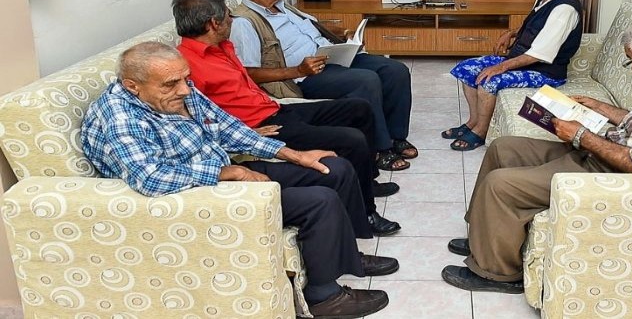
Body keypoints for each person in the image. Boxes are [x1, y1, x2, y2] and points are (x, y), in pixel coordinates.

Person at [81, 42, 397, 318]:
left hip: (226, 177)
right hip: (191, 196)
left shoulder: (179, 91)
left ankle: (346, 255)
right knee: (319, 201)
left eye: (185, 79)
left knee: (332, 168)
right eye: (170, 84)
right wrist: (228, 173)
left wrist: (294, 154)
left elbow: (229, 129)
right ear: (133, 85)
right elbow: (149, 178)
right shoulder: (121, 116)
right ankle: (324, 297)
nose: (184, 90)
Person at [441, 16, 632, 293]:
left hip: (621, 178)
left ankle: (495, 274)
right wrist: (600, 108)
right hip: (610, 152)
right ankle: (483, 238)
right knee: (503, 147)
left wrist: (581, 135)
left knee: (501, 185)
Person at [172, 0, 401, 236]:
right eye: (228, 16)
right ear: (213, 24)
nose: (233, 20)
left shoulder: (222, 46)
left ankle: (365, 181)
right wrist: (245, 132)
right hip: (261, 126)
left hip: (275, 109)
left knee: (359, 109)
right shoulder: (185, 66)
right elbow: (191, 118)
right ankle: (364, 217)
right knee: (351, 139)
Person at [228, 0, 416, 170]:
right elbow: (248, 73)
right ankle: (379, 148)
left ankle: (396, 136)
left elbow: (310, 29)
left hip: (330, 55)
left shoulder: (281, 5)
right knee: (366, 80)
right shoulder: (244, 22)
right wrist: (298, 71)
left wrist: (343, 33)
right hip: (304, 75)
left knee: (395, 70)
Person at [442, 0, 583, 151]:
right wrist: (511, 33)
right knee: (466, 69)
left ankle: (480, 132)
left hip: (546, 71)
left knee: (488, 80)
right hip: (522, 58)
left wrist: (501, 66)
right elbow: (535, 26)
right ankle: (473, 122)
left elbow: (539, 54)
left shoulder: (565, 9)